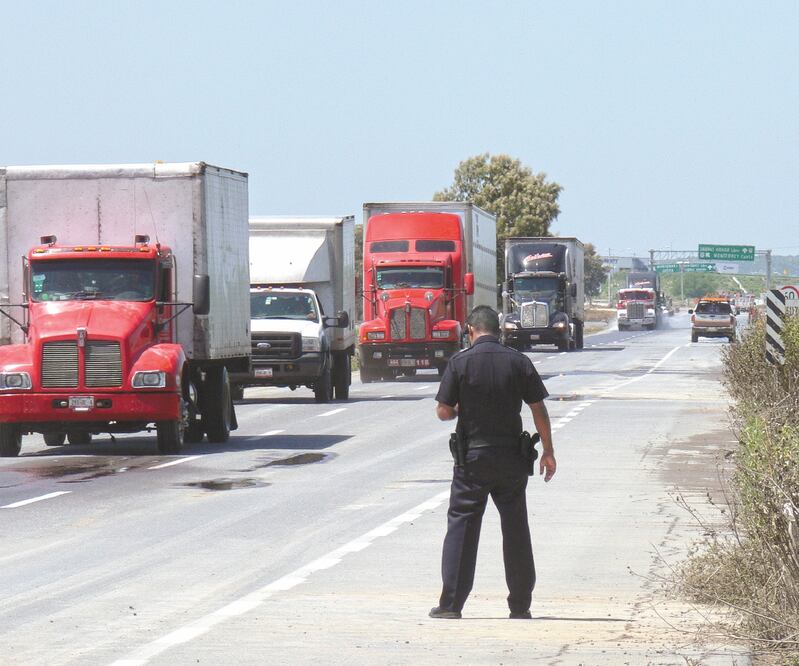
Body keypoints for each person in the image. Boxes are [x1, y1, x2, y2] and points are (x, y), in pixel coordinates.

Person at [429, 305, 556, 620]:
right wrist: (549, 452)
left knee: (462, 525)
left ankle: (451, 605)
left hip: (472, 461)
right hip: (512, 460)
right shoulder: (518, 362)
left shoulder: (460, 362)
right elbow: (538, 407)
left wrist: (459, 408)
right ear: (497, 330)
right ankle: (520, 605)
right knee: (516, 529)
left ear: (471, 330)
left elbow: (443, 412)